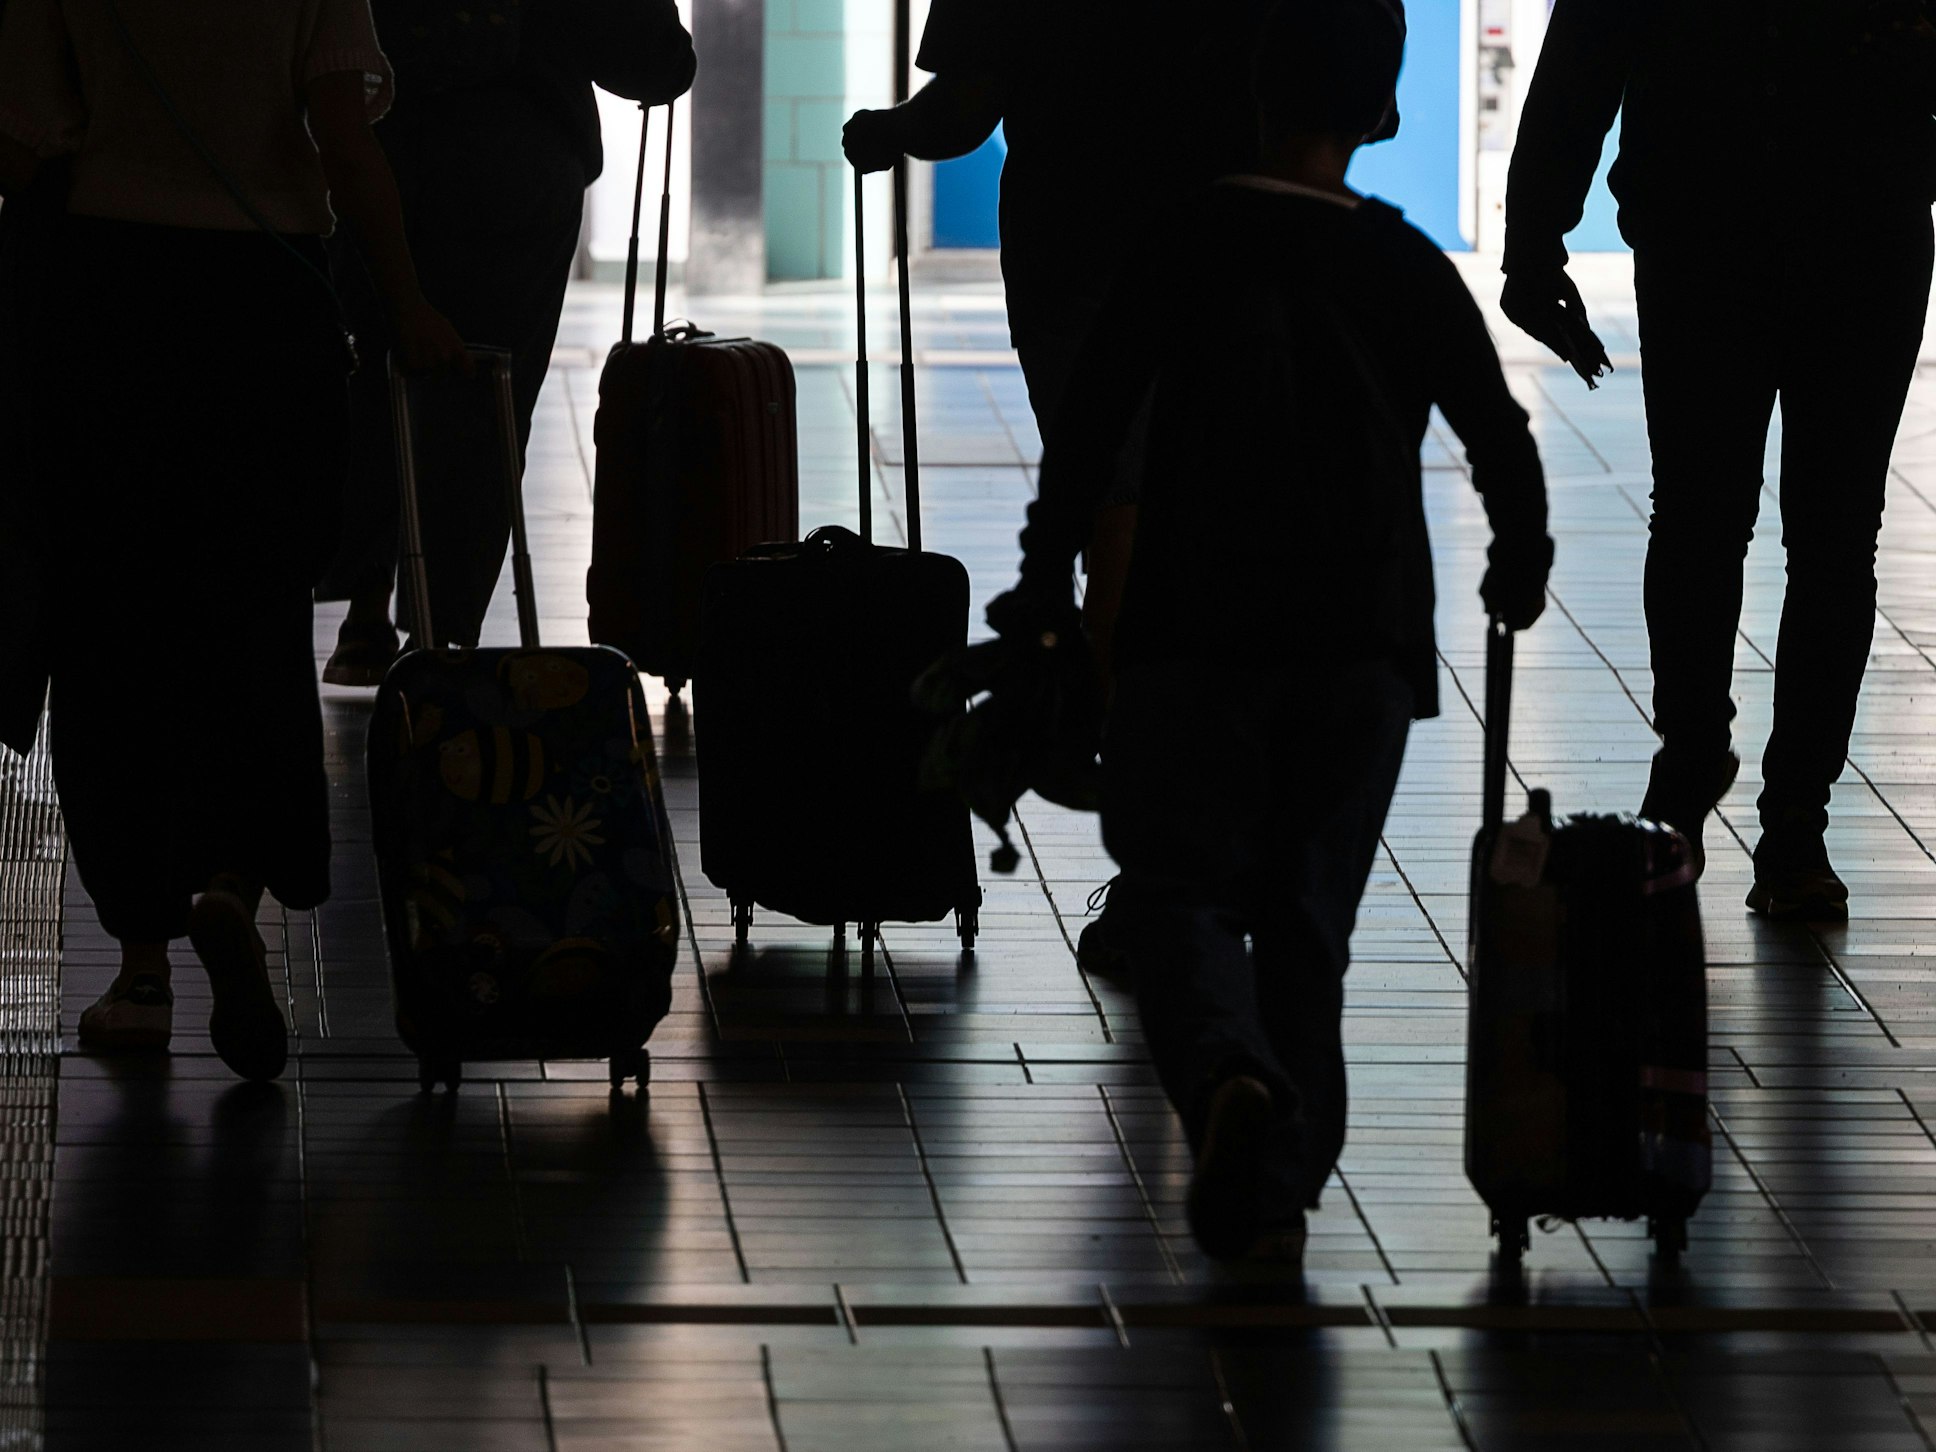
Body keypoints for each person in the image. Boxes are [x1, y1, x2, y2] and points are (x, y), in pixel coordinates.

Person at [988, 0, 1551, 1262]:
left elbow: (1087, 437)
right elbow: (1497, 437)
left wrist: (1040, 587)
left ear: (1252, 88)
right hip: (1358, 650)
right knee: (1309, 925)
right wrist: (1517, 562)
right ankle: (1282, 1174)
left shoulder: (1182, 242)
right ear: (1381, 112)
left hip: (1193, 635)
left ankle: (1231, 1085)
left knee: (1182, 893)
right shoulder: (1402, 264)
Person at [0, 0, 468, 1079]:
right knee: (250, 626)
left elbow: (24, 141)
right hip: (265, 314)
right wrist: (406, 307)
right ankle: (232, 887)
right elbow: (345, 143)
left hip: (101, 309)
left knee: (111, 642)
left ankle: (141, 971)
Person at [843, 0, 1311, 977]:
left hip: (1079, 258)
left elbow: (963, 109)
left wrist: (889, 133)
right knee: (1220, 538)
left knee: (1124, 536)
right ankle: (1231, 841)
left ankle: (1157, 868)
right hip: (1240, 255)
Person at [1502, 0, 1936, 919]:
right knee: (1827, 536)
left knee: (1707, 519)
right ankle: (1788, 828)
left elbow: (1585, 55)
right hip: (1857, 231)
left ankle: (1701, 772)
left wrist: (1536, 239)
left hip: (1714, 232)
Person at [318, 0, 696, 680]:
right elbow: (651, 60)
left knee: (373, 376)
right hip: (518, 165)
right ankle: (443, 633)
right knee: (486, 398)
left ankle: (366, 609)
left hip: (380, 152)